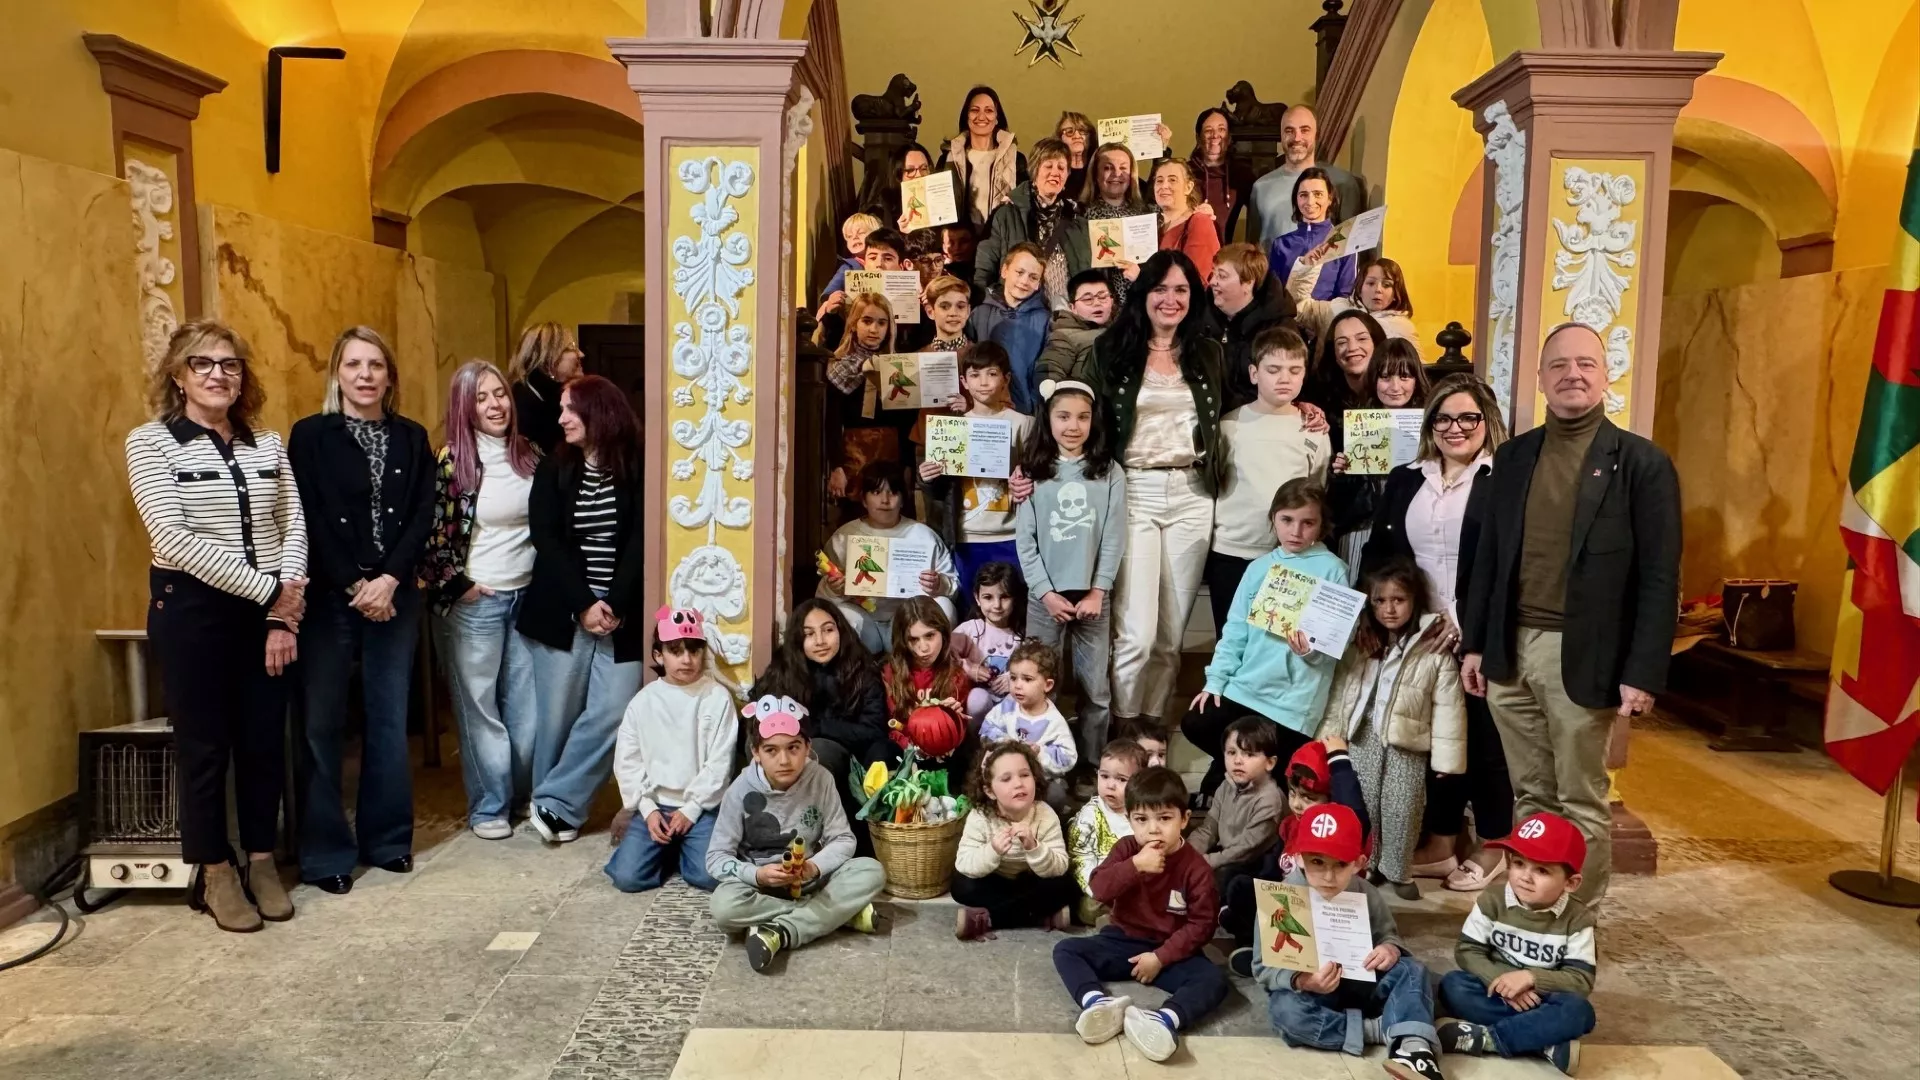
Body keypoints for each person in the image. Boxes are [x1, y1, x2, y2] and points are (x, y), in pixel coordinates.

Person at [1460, 322, 1682, 906]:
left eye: (1586, 363)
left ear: (1606, 374)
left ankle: (1575, 921)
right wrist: (1477, 644)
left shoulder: (1642, 464)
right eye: (1559, 365)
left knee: (1581, 798)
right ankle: (1535, 910)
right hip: (1510, 651)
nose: (1572, 374)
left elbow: (1660, 576)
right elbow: (1489, 559)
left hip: (1583, 655)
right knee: (1530, 795)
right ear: (1540, 378)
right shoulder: (1512, 457)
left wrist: (1643, 670)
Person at [127, 320, 306, 932]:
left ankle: (260, 861)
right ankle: (214, 871)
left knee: (262, 743)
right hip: (192, 615)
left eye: (229, 364)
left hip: (269, 616)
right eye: (202, 364)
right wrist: (269, 592)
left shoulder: (268, 444)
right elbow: (171, 538)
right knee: (204, 749)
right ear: (178, 376)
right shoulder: (149, 444)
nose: (217, 374)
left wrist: (285, 608)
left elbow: (292, 524)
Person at [290, 326, 435, 894]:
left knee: (388, 721)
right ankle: (326, 853)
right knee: (322, 723)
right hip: (330, 597)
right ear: (337, 374)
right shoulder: (310, 436)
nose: (365, 374)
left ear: (390, 376)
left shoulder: (412, 437)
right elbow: (307, 515)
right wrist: (355, 583)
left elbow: (423, 513)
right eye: (354, 364)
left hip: (396, 596)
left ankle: (388, 840)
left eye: (376, 364)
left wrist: (390, 579)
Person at [1363, 374, 1514, 893]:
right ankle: (1444, 841)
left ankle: (1496, 842)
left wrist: (1468, 625)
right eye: (1444, 418)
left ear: (1486, 422)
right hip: (1421, 630)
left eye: (1467, 418)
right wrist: (1391, 617)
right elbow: (1383, 557)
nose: (1455, 428)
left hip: (1480, 629)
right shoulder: (1408, 477)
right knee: (1436, 740)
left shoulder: (1506, 477)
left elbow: (1509, 565)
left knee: (1484, 737)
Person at [1093, 250, 1228, 729]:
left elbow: (1233, 416)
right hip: (1135, 490)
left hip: (1194, 492)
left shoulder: (1209, 351)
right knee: (1137, 633)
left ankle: (1152, 725)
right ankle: (1123, 723)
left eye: (1182, 290)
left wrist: (1307, 412)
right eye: (1161, 288)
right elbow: (1084, 424)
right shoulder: (1112, 349)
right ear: (1144, 294)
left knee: (1172, 634)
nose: (1171, 300)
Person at [518, 375, 648, 845]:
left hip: (621, 611)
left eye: (570, 409)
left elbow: (639, 539)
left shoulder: (636, 463)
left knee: (614, 710)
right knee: (556, 717)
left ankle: (556, 802)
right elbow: (546, 539)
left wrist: (611, 601)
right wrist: (583, 604)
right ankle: (553, 809)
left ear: (599, 412)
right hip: (564, 609)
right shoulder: (554, 466)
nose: (561, 418)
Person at [420, 360, 542, 840]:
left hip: (526, 597)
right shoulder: (451, 461)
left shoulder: (530, 455)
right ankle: (488, 806)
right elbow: (430, 539)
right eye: (482, 398)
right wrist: (460, 585)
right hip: (476, 604)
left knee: (527, 711)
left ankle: (521, 797)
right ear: (464, 407)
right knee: (480, 709)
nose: (496, 405)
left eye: (500, 394)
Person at [1254, 802, 1445, 1078]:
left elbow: (1389, 935)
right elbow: (1262, 968)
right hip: (1315, 994)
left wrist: (1389, 949)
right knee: (1285, 1012)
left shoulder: (1366, 892)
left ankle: (1415, 1050)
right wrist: (1303, 981)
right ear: (1298, 858)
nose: (1329, 876)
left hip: (1363, 981)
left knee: (1413, 970)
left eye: (1340, 864)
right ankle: (1382, 1030)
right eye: (1316, 862)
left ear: (1358, 863)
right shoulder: (1280, 898)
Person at [1183, 479, 1346, 801]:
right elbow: (1234, 631)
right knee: (1196, 721)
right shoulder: (1259, 567)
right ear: (1273, 518)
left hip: (1292, 705)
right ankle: (1236, 773)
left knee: (1265, 782)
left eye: (1307, 523)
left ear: (1321, 526)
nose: (1296, 531)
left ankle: (1235, 778)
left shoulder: (1333, 570)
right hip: (1245, 690)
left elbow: (1332, 646)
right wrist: (1215, 682)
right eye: (1287, 520)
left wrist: (1310, 651)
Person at [1053, 766, 1228, 1064]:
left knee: (1214, 980)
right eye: (1142, 819)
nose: (1153, 829)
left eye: (1165, 818)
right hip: (1123, 939)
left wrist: (1160, 958)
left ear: (1184, 819)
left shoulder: (1195, 868)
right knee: (1066, 950)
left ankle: (1164, 1020)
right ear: (1129, 820)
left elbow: (1202, 925)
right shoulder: (1127, 849)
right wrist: (1134, 865)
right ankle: (1097, 1003)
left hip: (1171, 951)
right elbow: (1099, 888)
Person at [1320, 557, 1467, 899]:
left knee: (1403, 806)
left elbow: (1449, 704)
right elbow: (1343, 692)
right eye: (1380, 601)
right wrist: (1331, 734)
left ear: (1414, 600)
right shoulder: (1362, 646)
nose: (1389, 609)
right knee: (1364, 803)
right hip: (1362, 735)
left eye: (1398, 600)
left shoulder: (1432, 646)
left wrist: (1447, 759)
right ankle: (1367, 864)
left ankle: (1398, 872)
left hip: (1407, 740)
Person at [707, 695, 886, 973]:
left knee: (871, 871)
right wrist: (757, 875)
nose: (784, 760)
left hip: (812, 879)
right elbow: (716, 858)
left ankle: (780, 932)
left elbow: (843, 838)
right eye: (771, 750)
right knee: (723, 908)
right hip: (761, 889)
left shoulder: (821, 778)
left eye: (793, 748)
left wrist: (814, 867)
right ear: (756, 752)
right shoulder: (739, 790)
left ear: (807, 747)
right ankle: (837, 915)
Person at [1437, 811, 1598, 1076]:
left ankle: (1487, 1039)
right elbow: (1468, 951)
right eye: (1519, 863)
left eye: (1542, 870)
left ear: (1571, 883)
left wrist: (1529, 978)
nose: (1525, 876)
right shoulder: (1493, 900)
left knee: (1578, 1011)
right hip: (1494, 989)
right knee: (1453, 985)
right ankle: (1542, 1043)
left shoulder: (1578, 919)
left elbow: (1580, 980)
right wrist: (1503, 981)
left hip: (1541, 998)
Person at [1015, 380, 1124, 765]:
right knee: (1040, 683)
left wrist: (1098, 591)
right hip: (1045, 597)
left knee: (1096, 689)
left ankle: (1094, 767)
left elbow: (1113, 536)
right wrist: (1046, 593)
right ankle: (1042, 765)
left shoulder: (1109, 472)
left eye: (1082, 417)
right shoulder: (1032, 471)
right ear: (1048, 419)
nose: (1073, 426)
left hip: (1093, 595)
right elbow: (1025, 542)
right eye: (1063, 416)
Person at [1206, 327, 1330, 639]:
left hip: (1288, 554)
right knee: (1231, 638)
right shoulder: (1228, 427)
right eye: (1273, 369)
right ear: (1253, 373)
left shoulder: (1314, 430)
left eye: (1294, 370)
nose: (1284, 378)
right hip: (1231, 551)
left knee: (1277, 643)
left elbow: (1317, 489)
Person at [604, 606, 735, 893]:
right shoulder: (643, 702)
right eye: (676, 651)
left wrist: (692, 808)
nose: (687, 659)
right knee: (628, 878)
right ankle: (658, 851)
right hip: (656, 804)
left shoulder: (716, 697)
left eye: (694, 650)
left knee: (710, 876)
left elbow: (720, 762)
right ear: (658, 655)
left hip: (701, 807)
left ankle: (682, 852)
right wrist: (648, 809)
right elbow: (628, 761)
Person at [750, 599, 894, 857]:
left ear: (840, 630)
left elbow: (873, 730)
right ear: (798, 639)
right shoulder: (785, 669)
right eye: (809, 634)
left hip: (845, 753)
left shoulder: (861, 668)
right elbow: (759, 711)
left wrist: (815, 727)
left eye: (827, 630)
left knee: (819, 755)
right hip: (792, 748)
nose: (820, 640)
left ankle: (822, 842)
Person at [1220, 737, 1370, 976]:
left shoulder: (1342, 830)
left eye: (1309, 798)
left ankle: (1254, 945)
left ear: (1332, 801)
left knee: (1241, 891)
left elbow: (1354, 810)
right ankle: (1250, 933)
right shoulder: (1291, 825)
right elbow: (1272, 869)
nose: (1298, 804)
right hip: (1288, 903)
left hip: (1327, 913)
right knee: (1235, 876)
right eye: (1293, 794)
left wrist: (1339, 760)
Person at [920, 342, 1032, 599]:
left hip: (1012, 534)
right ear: (964, 381)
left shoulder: (1024, 424)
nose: (983, 382)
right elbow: (940, 490)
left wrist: (1028, 483)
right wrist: (927, 478)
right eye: (975, 375)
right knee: (971, 607)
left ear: (1006, 379)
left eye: (992, 374)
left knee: (1011, 607)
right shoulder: (951, 428)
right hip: (967, 535)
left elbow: (1037, 475)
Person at [818, 459, 958, 652]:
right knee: (836, 617)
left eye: (893, 492)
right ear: (864, 499)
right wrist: (835, 588)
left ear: (903, 499)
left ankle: (924, 672)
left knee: (945, 608)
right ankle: (855, 674)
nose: (885, 500)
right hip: (864, 622)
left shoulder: (923, 536)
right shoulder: (845, 536)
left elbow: (953, 585)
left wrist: (939, 584)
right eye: (876, 493)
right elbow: (822, 598)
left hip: (908, 623)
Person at [1328, 337, 1431, 576]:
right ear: (1374, 380)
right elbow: (1339, 504)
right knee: (1359, 596)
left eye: (1404, 377)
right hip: (1363, 526)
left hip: (1414, 528)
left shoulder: (1432, 425)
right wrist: (1341, 473)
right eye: (1385, 377)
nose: (1395, 387)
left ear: (1417, 380)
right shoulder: (1355, 424)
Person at [953, 739, 1077, 938]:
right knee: (961, 886)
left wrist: (1034, 847)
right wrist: (992, 850)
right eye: (1006, 779)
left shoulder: (1045, 814)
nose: (1019, 783)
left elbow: (1060, 865)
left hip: (1030, 880)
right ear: (990, 791)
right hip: (996, 882)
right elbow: (964, 862)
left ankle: (989, 919)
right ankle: (1041, 916)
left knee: (1066, 885)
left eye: (1025, 775)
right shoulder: (981, 817)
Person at [973, 137, 1090, 309]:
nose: (1055, 172)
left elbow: (1087, 271)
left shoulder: (1077, 220)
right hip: (1020, 315)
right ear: (1035, 171)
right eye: (1048, 166)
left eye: (1061, 168)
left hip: (1067, 318)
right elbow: (984, 271)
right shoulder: (1006, 214)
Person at [1184, 715, 1285, 898]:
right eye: (1231, 753)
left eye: (1249, 754)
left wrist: (1204, 862)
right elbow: (1208, 829)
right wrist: (1187, 854)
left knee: (1220, 878)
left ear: (1270, 763)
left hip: (1252, 866)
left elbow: (1245, 850)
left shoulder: (1270, 800)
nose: (1238, 761)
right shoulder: (1225, 786)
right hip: (1224, 855)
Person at [881, 596, 975, 790]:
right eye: (913, 639)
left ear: (943, 633)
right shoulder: (892, 673)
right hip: (905, 751)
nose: (923, 648)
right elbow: (893, 725)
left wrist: (952, 721)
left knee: (965, 755)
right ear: (902, 640)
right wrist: (914, 748)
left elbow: (959, 730)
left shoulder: (955, 675)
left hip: (944, 753)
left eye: (930, 636)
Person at [1249, 105, 1366, 249]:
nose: (1297, 138)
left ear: (1317, 135)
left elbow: (1353, 245)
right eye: (1289, 131)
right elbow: (1251, 250)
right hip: (1271, 271)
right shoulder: (1261, 187)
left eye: (1305, 130)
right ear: (1281, 135)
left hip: (1321, 271)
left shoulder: (1342, 183)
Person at [978, 640, 1078, 808]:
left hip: (1036, 780)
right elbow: (987, 729)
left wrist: (1039, 753)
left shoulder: (1054, 721)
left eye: (1027, 679)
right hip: (1006, 774)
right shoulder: (1008, 706)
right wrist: (1004, 742)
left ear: (1047, 685)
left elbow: (1067, 757)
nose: (1017, 685)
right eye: (1013, 678)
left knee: (1056, 795)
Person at [823, 292, 900, 501]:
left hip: (890, 451)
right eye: (867, 321)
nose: (874, 329)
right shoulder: (839, 365)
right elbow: (831, 420)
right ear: (854, 324)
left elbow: (905, 420)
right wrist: (836, 467)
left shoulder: (898, 367)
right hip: (853, 452)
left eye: (881, 323)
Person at [1066, 737, 1147, 924]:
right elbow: (1079, 858)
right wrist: (1098, 887)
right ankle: (1119, 920)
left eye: (1121, 779)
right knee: (1088, 907)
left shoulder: (1144, 812)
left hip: (1135, 883)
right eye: (1104, 776)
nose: (1110, 785)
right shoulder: (1090, 814)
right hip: (1101, 886)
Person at [1209, 243, 1298, 410]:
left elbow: (1282, 387)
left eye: (1222, 276)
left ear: (1248, 283)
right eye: (1213, 274)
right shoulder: (1201, 317)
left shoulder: (1279, 328)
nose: (1213, 282)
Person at [966, 244, 1053, 414]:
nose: (1024, 281)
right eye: (1019, 272)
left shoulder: (1045, 320)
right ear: (1004, 271)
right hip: (984, 410)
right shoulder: (979, 314)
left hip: (1027, 411)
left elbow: (1045, 368)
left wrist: (1035, 404)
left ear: (1038, 284)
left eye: (1033, 277)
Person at [1290, 252, 1420, 352]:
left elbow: (1413, 372)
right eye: (1370, 283)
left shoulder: (1403, 329)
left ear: (1396, 294)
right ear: (1360, 287)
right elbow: (1296, 307)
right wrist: (1306, 268)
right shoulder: (1336, 309)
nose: (1378, 289)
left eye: (1386, 285)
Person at [942, 85, 1027, 231]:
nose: (981, 117)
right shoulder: (949, 158)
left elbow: (1025, 204)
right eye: (975, 110)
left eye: (988, 111)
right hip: (959, 245)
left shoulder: (1016, 159)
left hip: (1000, 242)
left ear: (997, 118)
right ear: (966, 116)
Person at [1267, 169, 1357, 302]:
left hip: (1329, 319)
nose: (1310, 202)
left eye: (1318, 194)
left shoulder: (1344, 240)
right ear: (1296, 200)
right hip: (1288, 320)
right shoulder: (1281, 244)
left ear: (1330, 199)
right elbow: (1273, 294)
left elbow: (1346, 294)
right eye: (1303, 195)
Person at [1081, 140, 1152, 306]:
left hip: (1141, 309)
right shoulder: (1081, 216)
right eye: (1107, 167)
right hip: (1099, 310)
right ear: (1095, 174)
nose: (1116, 173)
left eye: (1123, 168)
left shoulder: (1147, 214)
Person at [952, 562, 1022, 722]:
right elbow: (944, 654)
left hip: (1008, 703)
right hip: (977, 703)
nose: (997, 605)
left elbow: (1035, 667)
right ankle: (974, 743)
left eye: (1004, 597)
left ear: (1015, 598)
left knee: (1017, 697)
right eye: (988, 597)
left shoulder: (1022, 634)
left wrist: (1013, 678)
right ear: (977, 598)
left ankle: (1005, 743)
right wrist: (968, 667)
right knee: (978, 698)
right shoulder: (971, 629)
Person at [508, 321, 584, 452]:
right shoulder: (524, 403)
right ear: (549, 357)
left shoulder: (555, 396)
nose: (581, 354)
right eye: (571, 347)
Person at [1036, 270, 1114, 390]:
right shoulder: (1065, 336)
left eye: (1103, 297)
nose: (1097, 303)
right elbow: (1050, 370)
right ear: (1073, 308)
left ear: (1112, 301)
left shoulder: (1123, 329)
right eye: (1088, 299)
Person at [1187, 107, 1252, 243]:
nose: (1215, 135)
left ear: (1229, 138)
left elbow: (1260, 213)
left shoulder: (1241, 174)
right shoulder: (1185, 172)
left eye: (1221, 129)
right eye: (1208, 130)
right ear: (1198, 137)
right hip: (1187, 256)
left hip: (1224, 258)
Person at [1151, 158, 1221, 282]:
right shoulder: (1153, 226)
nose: (1164, 186)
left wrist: (1141, 277)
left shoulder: (1199, 222)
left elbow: (1194, 279)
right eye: (1159, 181)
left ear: (1188, 187)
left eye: (1172, 180)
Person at [817, 211, 882, 311]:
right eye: (849, 236)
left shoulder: (883, 263)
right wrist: (831, 300)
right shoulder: (847, 267)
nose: (854, 237)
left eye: (861, 233)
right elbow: (830, 292)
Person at [1055, 110, 1095, 202]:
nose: (1077, 136)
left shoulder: (1099, 169)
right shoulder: (1055, 171)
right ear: (1060, 138)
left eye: (1082, 131)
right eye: (1069, 131)